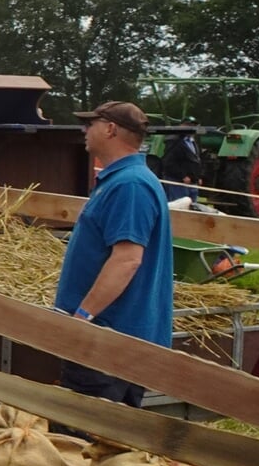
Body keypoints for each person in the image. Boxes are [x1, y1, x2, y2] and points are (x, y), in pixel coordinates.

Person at [52, 101, 174, 407]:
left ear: (110, 129)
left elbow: (127, 259)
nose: (84, 130)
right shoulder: (123, 179)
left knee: (83, 441)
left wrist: (82, 316)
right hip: (111, 337)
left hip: (106, 341)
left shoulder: (130, 185)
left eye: (90, 123)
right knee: (105, 443)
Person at [159, 119, 203, 205]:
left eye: (194, 126)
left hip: (192, 182)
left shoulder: (192, 142)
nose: (192, 128)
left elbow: (196, 161)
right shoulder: (173, 141)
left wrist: (198, 176)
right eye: (189, 125)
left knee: (193, 208)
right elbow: (168, 162)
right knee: (178, 207)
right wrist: (182, 176)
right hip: (177, 182)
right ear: (182, 126)